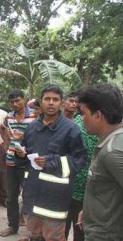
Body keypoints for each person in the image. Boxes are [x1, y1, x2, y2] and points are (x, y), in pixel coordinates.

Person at [16, 84, 87, 241]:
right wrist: (21, 154)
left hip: (55, 200)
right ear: (40, 102)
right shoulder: (32, 127)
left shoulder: (71, 129)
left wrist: (51, 161)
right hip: (32, 194)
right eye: (47, 99)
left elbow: (80, 159)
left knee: (54, 238)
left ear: (61, 103)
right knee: (34, 236)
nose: (51, 103)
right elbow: (24, 154)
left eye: (55, 99)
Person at [77, 84, 123, 241]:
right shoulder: (110, 141)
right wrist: (89, 211)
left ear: (97, 115)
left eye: (83, 113)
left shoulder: (113, 151)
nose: (81, 119)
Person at [0, 90, 36, 237]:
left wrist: (27, 148)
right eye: (12, 101)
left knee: (30, 195)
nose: (15, 104)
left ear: (24, 100)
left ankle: (32, 230)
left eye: (18, 100)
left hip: (28, 162)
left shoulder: (35, 115)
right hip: (11, 160)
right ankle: (13, 226)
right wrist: (7, 144)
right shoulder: (9, 116)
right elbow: (2, 129)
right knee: (11, 195)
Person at [64, 100, 98, 241]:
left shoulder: (102, 132)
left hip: (85, 191)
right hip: (72, 187)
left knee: (78, 229)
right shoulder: (74, 127)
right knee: (69, 228)